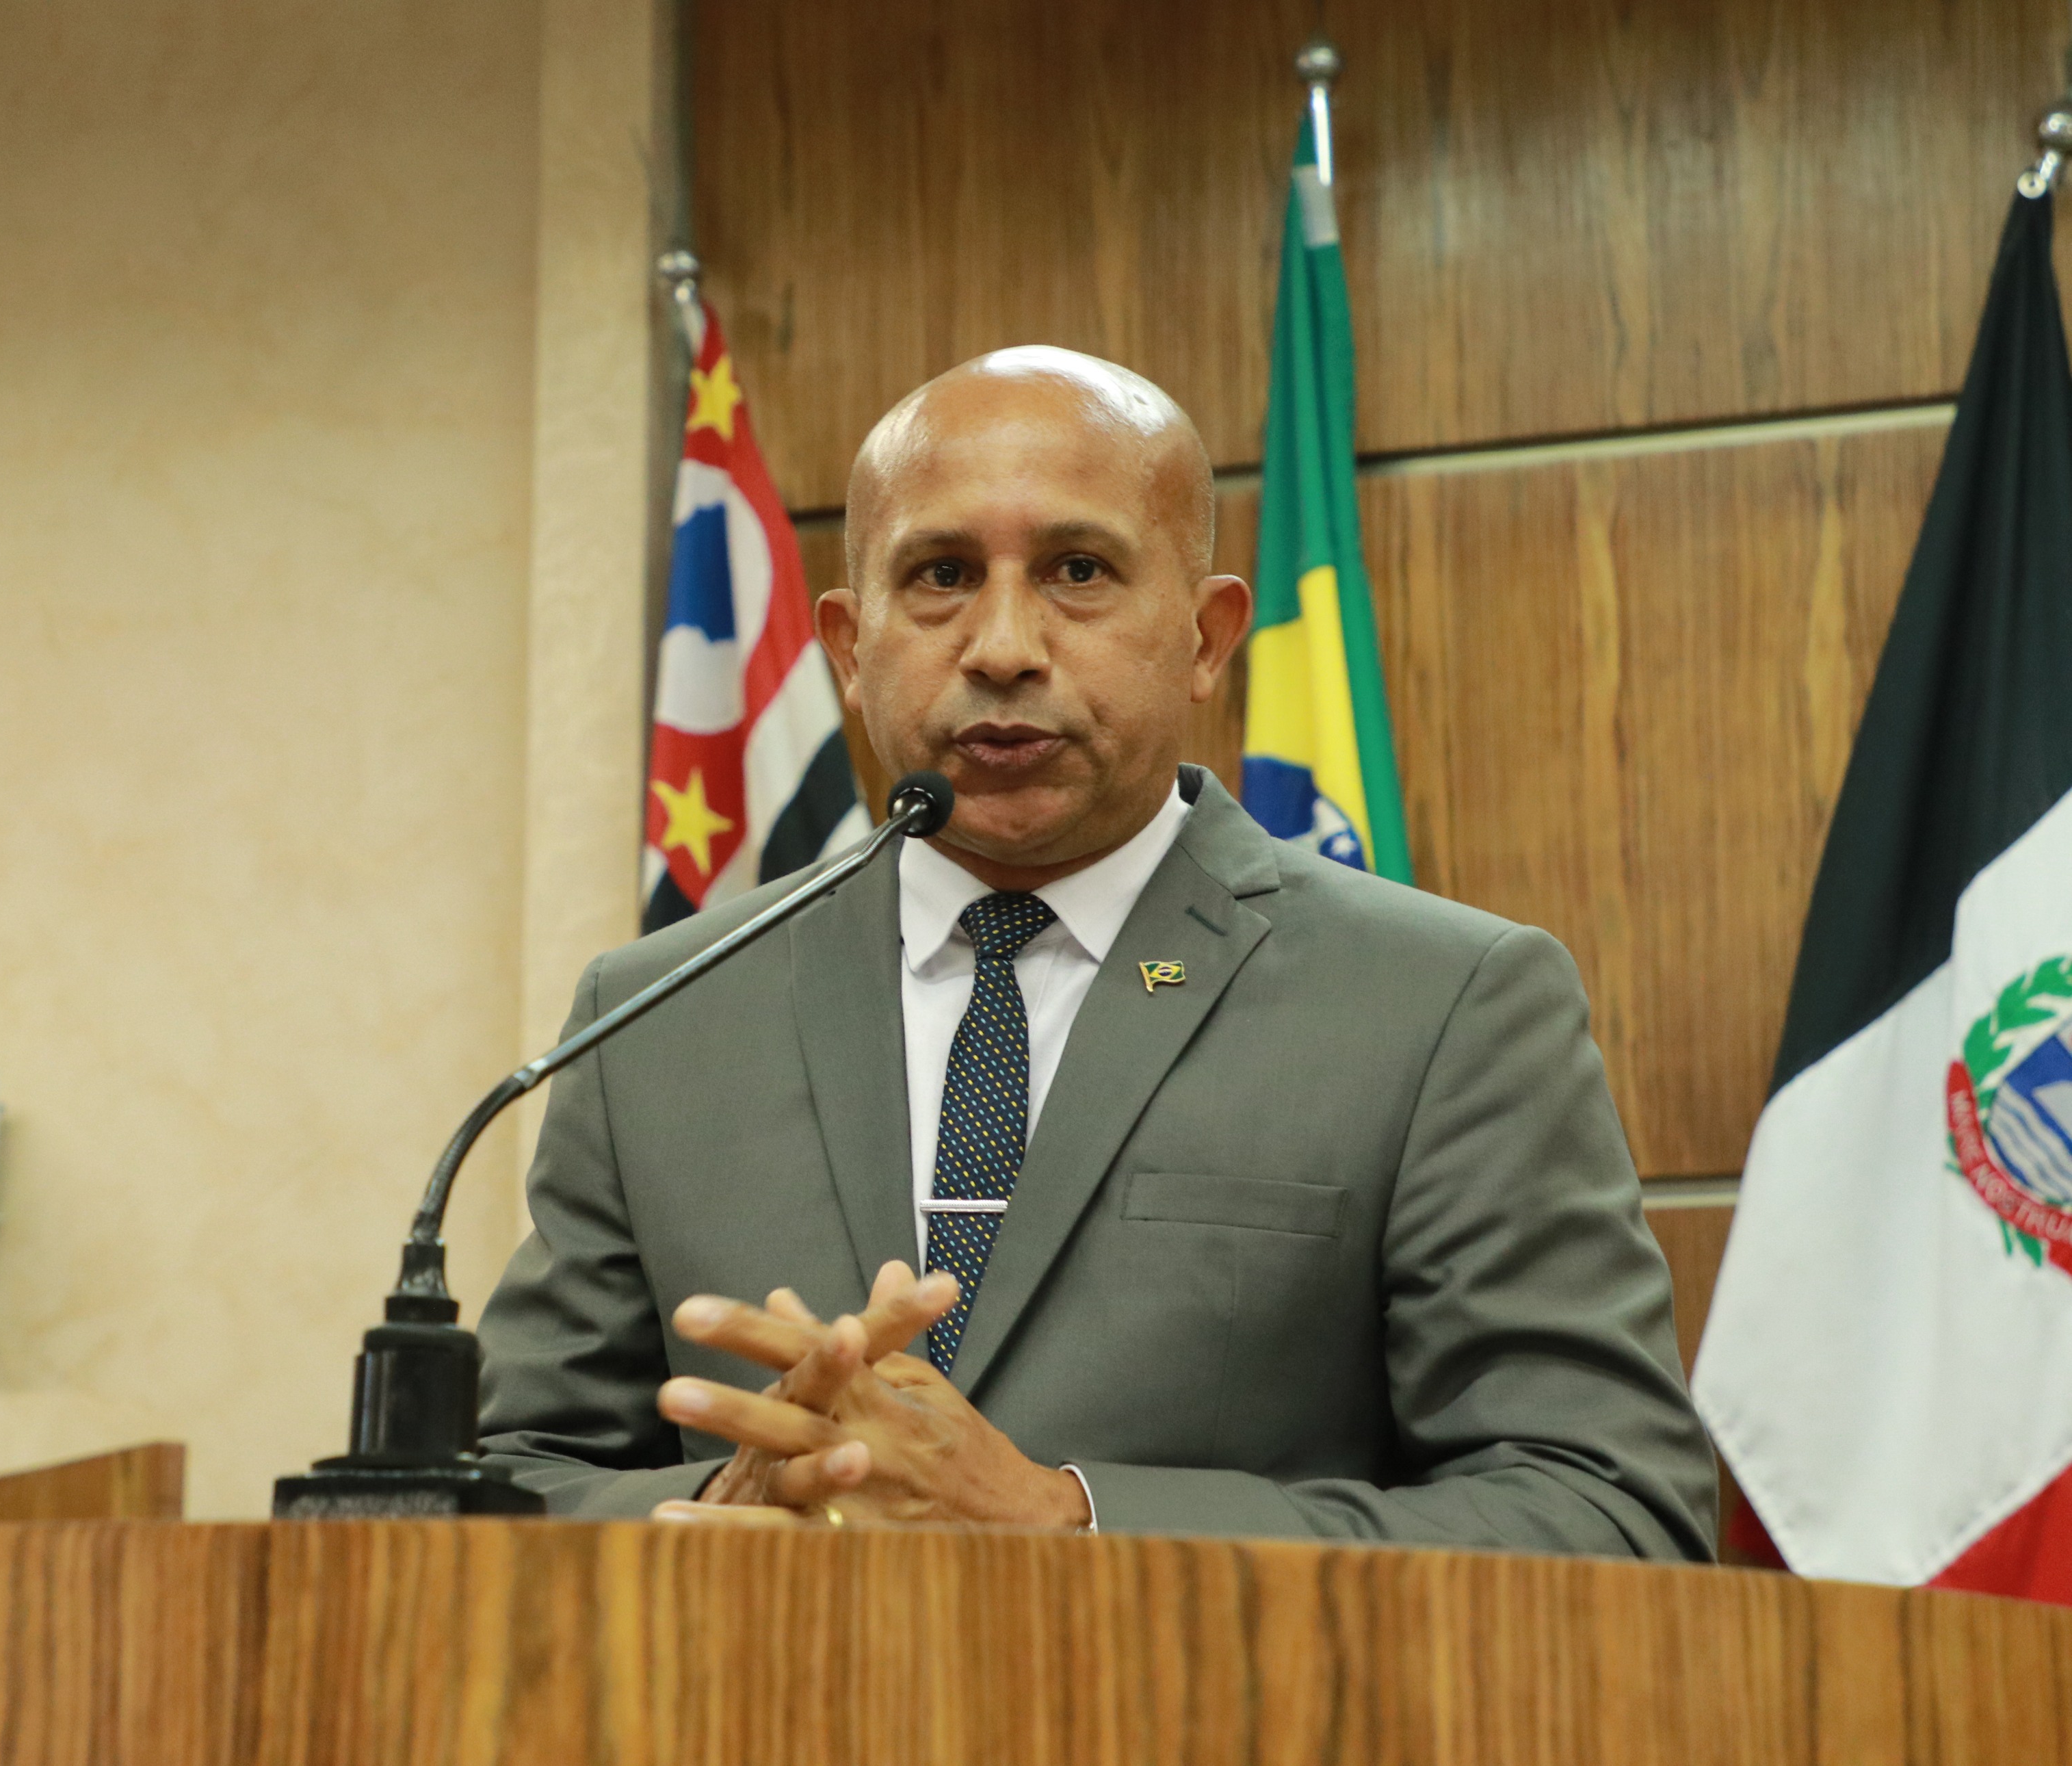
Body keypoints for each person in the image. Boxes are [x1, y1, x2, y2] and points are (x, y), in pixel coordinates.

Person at [474, 347, 1716, 1554]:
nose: (1003, 645)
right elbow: (493, 1487)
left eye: (1078, 570)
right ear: (850, 648)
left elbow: (1610, 1512)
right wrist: (744, 1503)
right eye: (942, 575)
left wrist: (1066, 1517)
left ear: (1207, 637)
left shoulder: (1442, 1006)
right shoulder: (659, 1014)